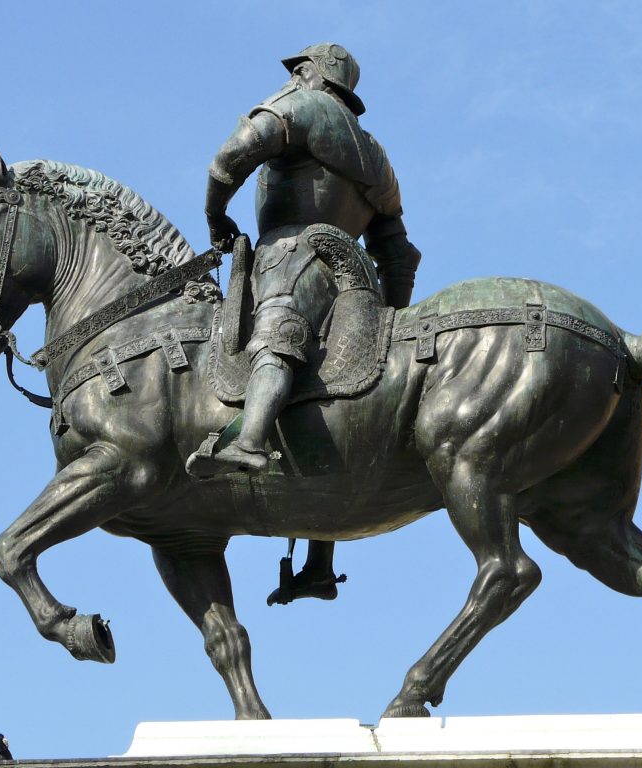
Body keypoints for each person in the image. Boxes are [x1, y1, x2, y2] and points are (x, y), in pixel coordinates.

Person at [186, 43, 421, 603]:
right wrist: (390, 315)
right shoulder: (378, 159)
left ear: (314, 74)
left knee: (277, 337)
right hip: (354, 272)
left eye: (298, 68)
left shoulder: (303, 105)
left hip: (296, 251)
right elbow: (397, 250)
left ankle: (248, 441)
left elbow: (232, 155)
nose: (291, 75)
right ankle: (318, 560)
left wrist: (216, 213)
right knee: (320, 390)